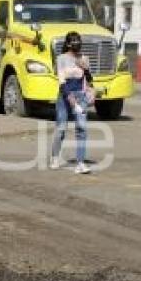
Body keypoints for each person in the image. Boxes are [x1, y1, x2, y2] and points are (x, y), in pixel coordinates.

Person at [51, 31, 92, 174]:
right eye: (74, 41)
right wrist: (71, 99)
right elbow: (62, 82)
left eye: (78, 40)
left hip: (80, 96)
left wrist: (85, 69)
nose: (77, 43)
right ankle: (55, 157)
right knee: (61, 128)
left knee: (82, 128)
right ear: (68, 44)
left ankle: (80, 163)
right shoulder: (61, 58)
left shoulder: (84, 58)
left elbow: (89, 80)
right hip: (64, 97)